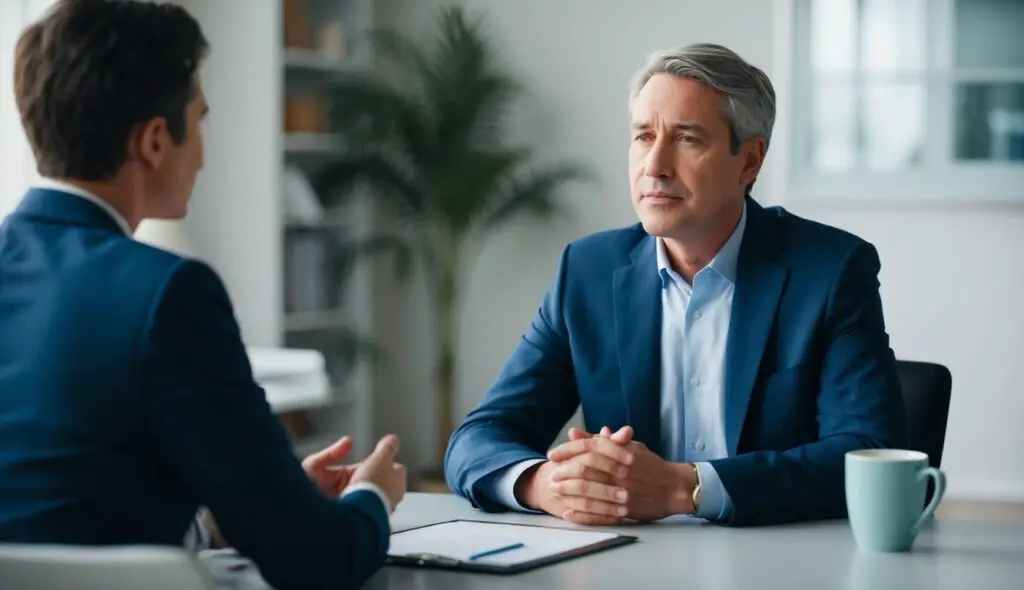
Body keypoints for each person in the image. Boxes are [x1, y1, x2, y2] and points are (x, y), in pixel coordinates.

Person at [0, 1, 405, 588]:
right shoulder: (168, 295)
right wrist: (372, 495)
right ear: (156, 141)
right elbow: (318, 560)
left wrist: (255, 507)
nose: (203, 153)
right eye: (202, 118)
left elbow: (72, 507)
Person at [444, 42, 910, 527]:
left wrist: (685, 487)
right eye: (644, 137)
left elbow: (869, 453)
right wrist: (545, 484)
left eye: (687, 139)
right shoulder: (588, 271)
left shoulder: (830, 270)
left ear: (749, 161)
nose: (655, 166)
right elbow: (479, 437)